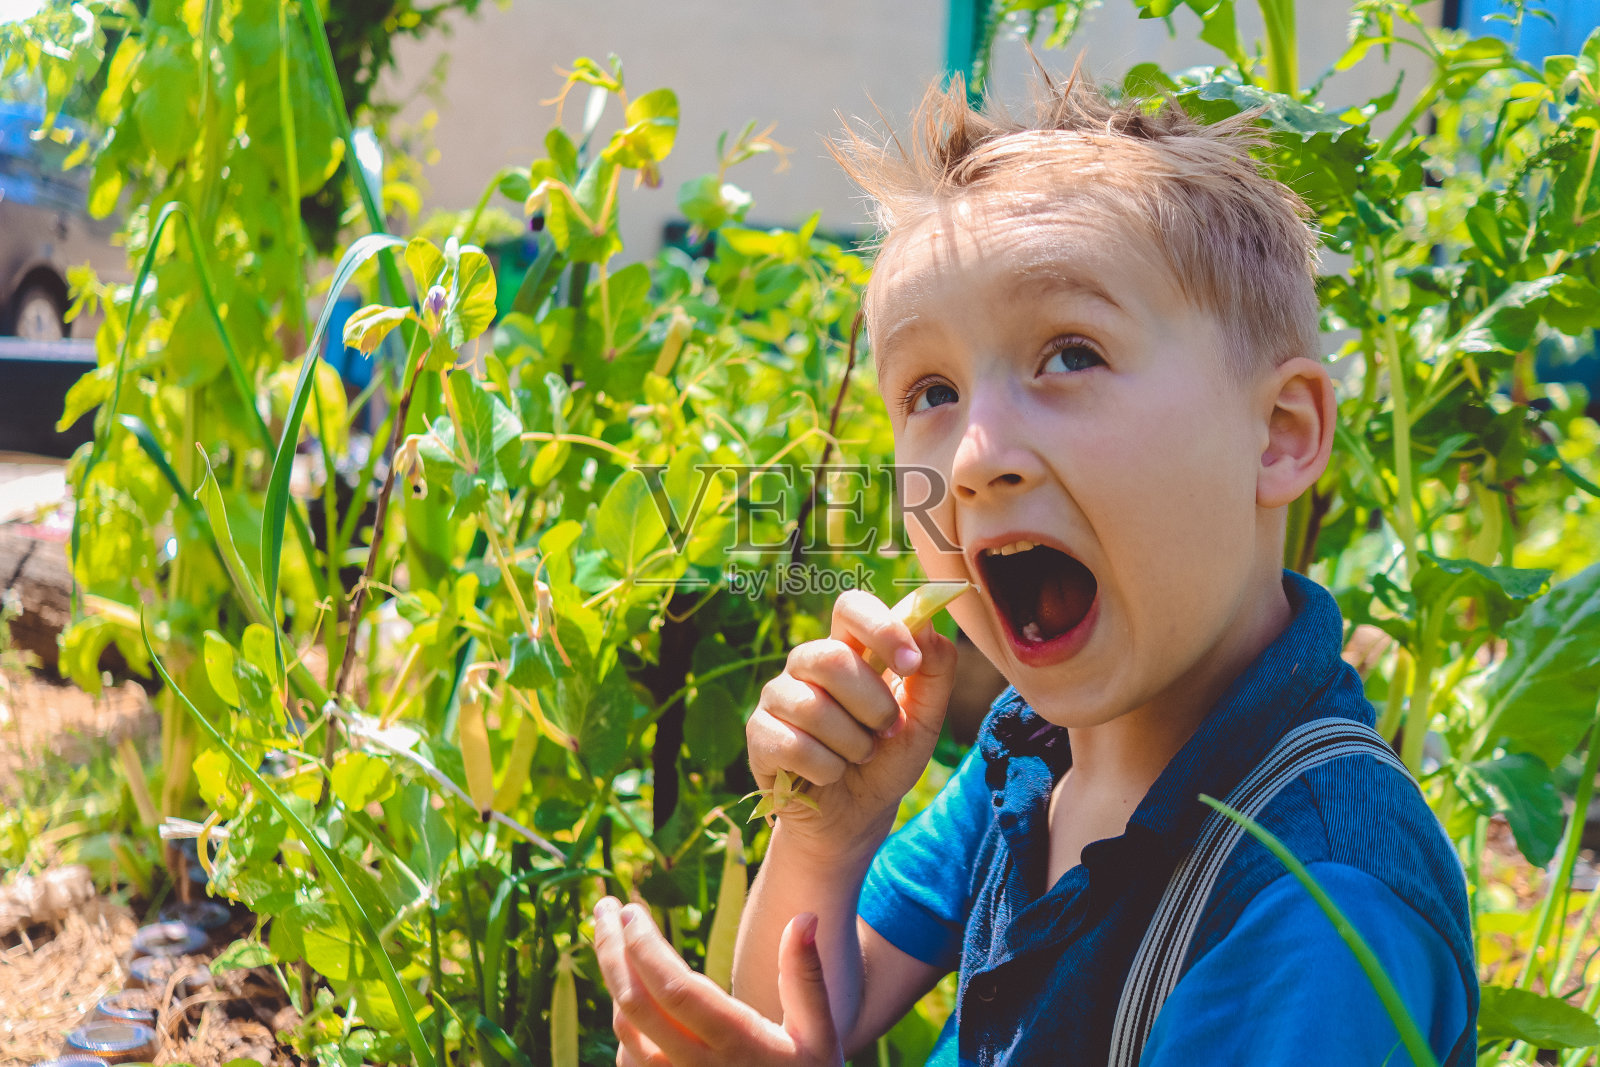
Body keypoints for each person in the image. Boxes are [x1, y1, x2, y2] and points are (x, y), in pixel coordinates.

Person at [591, 64, 1477, 1067]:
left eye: (1068, 355)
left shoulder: (1313, 898)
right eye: (929, 389)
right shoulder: (1036, 751)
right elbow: (796, 1020)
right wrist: (826, 836)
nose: (974, 457)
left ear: (1276, 434)